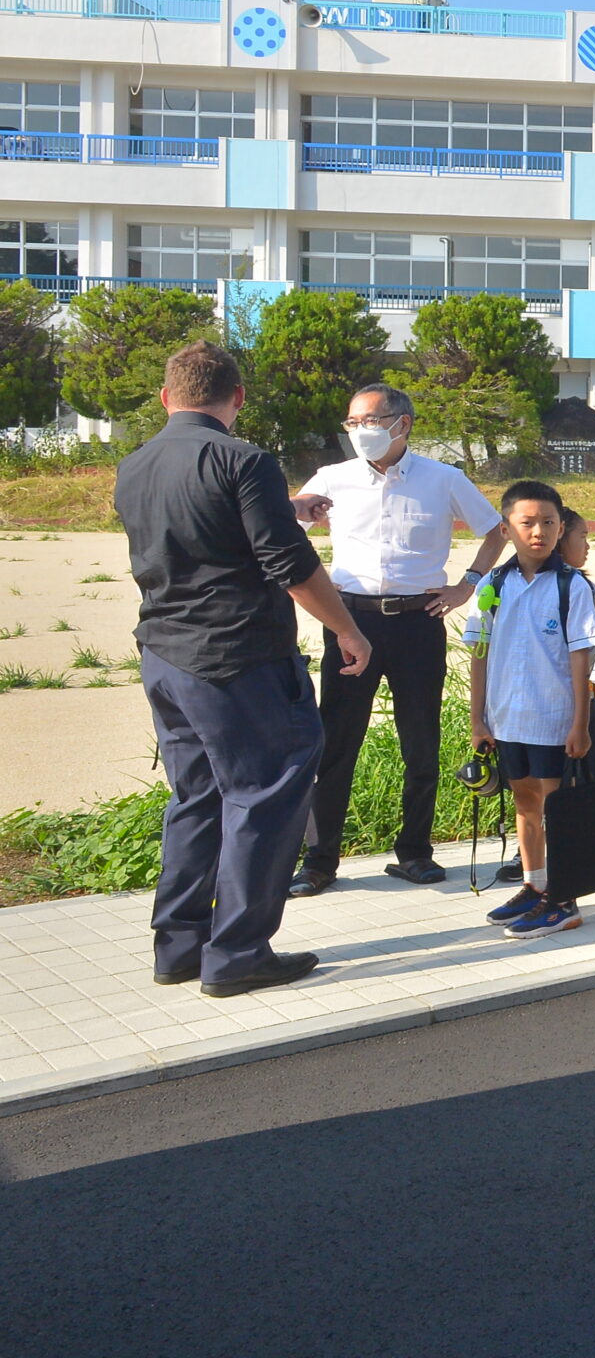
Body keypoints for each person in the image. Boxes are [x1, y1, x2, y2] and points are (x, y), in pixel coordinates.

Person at [115, 342, 374, 996]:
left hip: (165, 656)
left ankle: (178, 947)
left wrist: (284, 509)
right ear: (238, 398)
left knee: (197, 797)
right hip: (237, 657)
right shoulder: (245, 459)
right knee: (268, 788)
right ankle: (239, 954)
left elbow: (196, 530)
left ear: (167, 398)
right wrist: (347, 628)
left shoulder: (135, 465)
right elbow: (289, 567)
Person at [286, 384, 505, 898]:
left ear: (401, 423)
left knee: (421, 741)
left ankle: (414, 853)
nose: (359, 431)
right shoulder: (332, 478)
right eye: (352, 423)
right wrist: (296, 507)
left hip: (417, 621)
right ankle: (320, 860)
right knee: (337, 742)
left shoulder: (443, 478)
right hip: (350, 621)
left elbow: (494, 531)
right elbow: (283, 521)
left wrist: (466, 585)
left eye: (368, 421)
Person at [462, 480, 595, 938]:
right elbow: (478, 651)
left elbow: (582, 657)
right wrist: (477, 718)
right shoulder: (492, 584)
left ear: (561, 528)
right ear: (506, 529)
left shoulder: (572, 587)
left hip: (554, 720)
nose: (537, 532)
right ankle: (534, 884)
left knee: (555, 807)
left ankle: (564, 899)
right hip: (507, 719)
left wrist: (580, 722)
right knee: (524, 802)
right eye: (527, 523)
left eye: (548, 523)